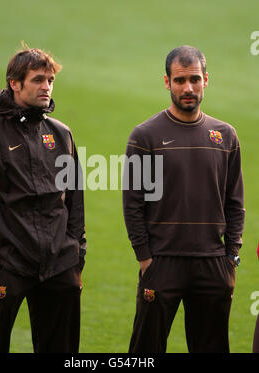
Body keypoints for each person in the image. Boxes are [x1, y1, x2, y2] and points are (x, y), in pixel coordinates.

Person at [0, 46, 86, 353]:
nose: (46, 87)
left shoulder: (61, 134)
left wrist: (76, 253)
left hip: (59, 266)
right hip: (8, 267)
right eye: (38, 79)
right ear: (15, 83)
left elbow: (74, 199)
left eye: (51, 80)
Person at [122, 45, 245, 353]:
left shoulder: (225, 136)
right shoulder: (145, 136)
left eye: (194, 79)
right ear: (167, 82)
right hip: (162, 262)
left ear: (206, 79)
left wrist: (231, 256)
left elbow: (235, 202)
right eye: (179, 81)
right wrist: (145, 258)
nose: (187, 88)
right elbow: (133, 202)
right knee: (145, 351)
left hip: (213, 263)